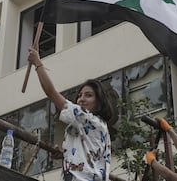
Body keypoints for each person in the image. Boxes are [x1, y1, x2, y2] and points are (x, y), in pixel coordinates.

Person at [28, 47, 114, 181]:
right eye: (80, 95)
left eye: (89, 95)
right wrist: (65, 154)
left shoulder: (86, 118)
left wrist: (37, 63)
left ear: (99, 102)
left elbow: (51, 92)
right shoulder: (99, 126)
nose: (81, 99)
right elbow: (89, 156)